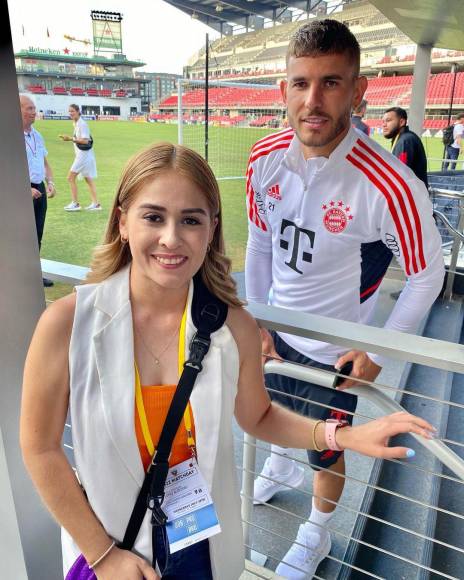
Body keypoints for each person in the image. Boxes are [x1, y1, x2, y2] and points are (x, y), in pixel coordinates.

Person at [20, 142, 435, 580]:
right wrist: (104, 556)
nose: (171, 238)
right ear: (122, 221)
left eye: (191, 220)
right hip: (110, 545)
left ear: (211, 228)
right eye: (154, 216)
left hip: (200, 544)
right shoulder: (67, 324)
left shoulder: (232, 325)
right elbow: (40, 448)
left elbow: (258, 416)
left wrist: (344, 437)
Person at [245, 20, 445, 579]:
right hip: (275, 333)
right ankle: (281, 468)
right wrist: (261, 321)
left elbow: (427, 276)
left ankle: (317, 533)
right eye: (300, 83)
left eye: (331, 83)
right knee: (275, 415)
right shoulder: (263, 158)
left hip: (334, 353)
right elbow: (261, 243)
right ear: (283, 89)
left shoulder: (392, 185)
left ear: (358, 93)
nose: (312, 100)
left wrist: (377, 353)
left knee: (328, 452)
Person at [20, 94, 56, 287]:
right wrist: (25, 188)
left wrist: (50, 182)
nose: (34, 112)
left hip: (39, 189)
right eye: (29, 108)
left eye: (34, 108)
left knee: (37, 233)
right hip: (19, 191)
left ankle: (33, 274)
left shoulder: (37, 135)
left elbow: (44, 162)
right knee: (22, 235)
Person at [60, 104, 101, 211]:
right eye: (69, 111)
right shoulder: (76, 123)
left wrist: (70, 139)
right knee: (88, 179)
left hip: (83, 156)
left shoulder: (82, 124)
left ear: (78, 111)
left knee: (70, 177)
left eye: (72, 111)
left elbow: (86, 140)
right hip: (82, 155)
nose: (70, 113)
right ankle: (96, 204)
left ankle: (75, 204)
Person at [382, 106, 428, 187]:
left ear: (402, 122)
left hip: (412, 195)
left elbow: (399, 174)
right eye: (383, 121)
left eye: (388, 120)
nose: (384, 125)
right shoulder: (403, 137)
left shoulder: (405, 140)